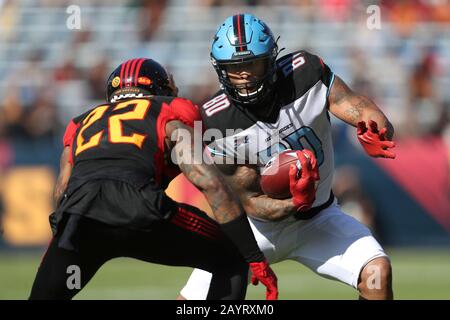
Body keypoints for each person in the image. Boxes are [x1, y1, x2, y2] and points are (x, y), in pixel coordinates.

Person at [178, 14, 396, 300]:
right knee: (192, 302)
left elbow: (351, 103)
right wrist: (295, 201)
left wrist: (374, 125)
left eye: (252, 64)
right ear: (221, 71)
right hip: (256, 230)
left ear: (271, 60)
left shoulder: (304, 73)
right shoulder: (215, 123)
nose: (244, 76)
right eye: (235, 68)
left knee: (377, 273)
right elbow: (251, 202)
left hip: (321, 218)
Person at [29, 58, 278, 300]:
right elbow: (211, 183)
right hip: (138, 206)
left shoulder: (81, 122)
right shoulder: (169, 109)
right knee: (232, 255)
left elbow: (62, 189)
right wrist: (254, 256)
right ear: (159, 89)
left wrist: (61, 243)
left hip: (80, 217)